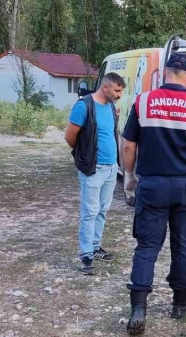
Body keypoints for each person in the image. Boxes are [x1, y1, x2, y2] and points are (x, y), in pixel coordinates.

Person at [121, 53, 186, 335]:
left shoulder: (142, 102)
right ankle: (179, 303)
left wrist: (129, 177)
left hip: (152, 186)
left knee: (146, 247)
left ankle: (139, 308)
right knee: (183, 247)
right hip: (185, 188)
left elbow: (129, 145)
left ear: (164, 73)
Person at [64, 73, 126, 275]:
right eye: (117, 91)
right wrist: (83, 155)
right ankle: (86, 255)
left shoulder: (109, 107)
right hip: (93, 168)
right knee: (89, 211)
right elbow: (70, 136)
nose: (119, 95)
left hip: (110, 168)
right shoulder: (84, 106)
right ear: (106, 87)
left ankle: (96, 246)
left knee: (102, 209)